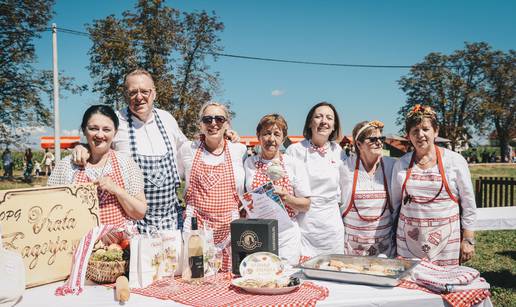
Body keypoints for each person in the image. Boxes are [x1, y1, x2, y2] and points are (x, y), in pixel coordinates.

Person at [392, 105, 476, 267]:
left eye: (425, 129)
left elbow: (468, 203)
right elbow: (396, 205)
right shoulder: (401, 164)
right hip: (409, 241)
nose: (420, 135)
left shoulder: (455, 161)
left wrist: (468, 239)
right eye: (414, 131)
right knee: (410, 286)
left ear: (435, 132)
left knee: (444, 287)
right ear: (408, 135)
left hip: (446, 242)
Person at [49, 105, 147, 226]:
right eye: (94, 128)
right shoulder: (66, 165)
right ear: (84, 130)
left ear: (115, 132)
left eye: (106, 129)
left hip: (119, 243)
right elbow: (49, 209)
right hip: (77, 243)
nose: (100, 135)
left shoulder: (126, 163)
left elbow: (140, 213)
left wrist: (117, 190)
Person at [178, 102, 246, 272]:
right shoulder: (188, 149)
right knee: (196, 277)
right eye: (207, 119)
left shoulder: (239, 150)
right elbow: (176, 178)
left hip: (229, 228)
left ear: (227, 124)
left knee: (228, 279)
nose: (213, 123)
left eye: (219, 119)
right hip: (196, 227)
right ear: (200, 124)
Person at [244, 114, 311, 265]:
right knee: (257, 277)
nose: (271, 139)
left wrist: (286, 197)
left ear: (283, 138)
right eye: (266, 133)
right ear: (259, 136)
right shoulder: (249, 163)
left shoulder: (293, 164)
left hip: (285, 234)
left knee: (284, 276)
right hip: (256, 232)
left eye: (276, 134)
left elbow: (306, 205)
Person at [285, 102, 345, 257]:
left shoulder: (338, 151)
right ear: (310, 123)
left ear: (334, 126)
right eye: (318, 117)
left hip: (332, 226)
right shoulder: (295, 150)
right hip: (305, 222)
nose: (324, 121)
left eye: (329, 118)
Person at [340, 120, 397, 257]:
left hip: (385, 250)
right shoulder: (346, 169)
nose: (379, 142)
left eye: (381, 138)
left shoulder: (392, 166)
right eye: (372, 139)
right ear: (359, 144)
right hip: (353, 251)